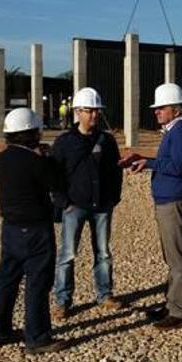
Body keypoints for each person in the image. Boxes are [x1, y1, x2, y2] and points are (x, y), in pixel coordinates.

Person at [121, 83, 182, 330]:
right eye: (157, 108)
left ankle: (178, 312)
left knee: (177, 258)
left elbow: (179, 166)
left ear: (176, 109)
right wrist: (145, 160)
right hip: (167, 200)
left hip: (174, 201)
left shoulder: (181, 132)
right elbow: (170, 162)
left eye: (161, 108)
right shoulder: (174, 131)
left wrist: (149, 163)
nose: (156, 112)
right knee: (171, 256)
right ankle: (172, 303)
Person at [0, 107, 64, 354]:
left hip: (10, 228)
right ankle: (37, 337)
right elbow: (57, 182)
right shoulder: (35, 161)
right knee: (37, 283)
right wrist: (48, 158)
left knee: (7, 280)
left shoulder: (1, 159)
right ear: (31, 133)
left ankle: (0, 331)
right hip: (35, 229)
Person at [50, 87, 126, 321]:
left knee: (103, 253)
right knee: (68, 254)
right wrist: (64, 203)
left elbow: (116, 171)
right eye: (89, 110)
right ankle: (62, 300)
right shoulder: (64, 143)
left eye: (96, 111)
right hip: (75, 206)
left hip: (103, 205)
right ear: (78, 112)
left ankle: (104, 295)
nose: (94, 115)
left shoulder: (107, 140)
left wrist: (114, 198)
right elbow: (54, 175)